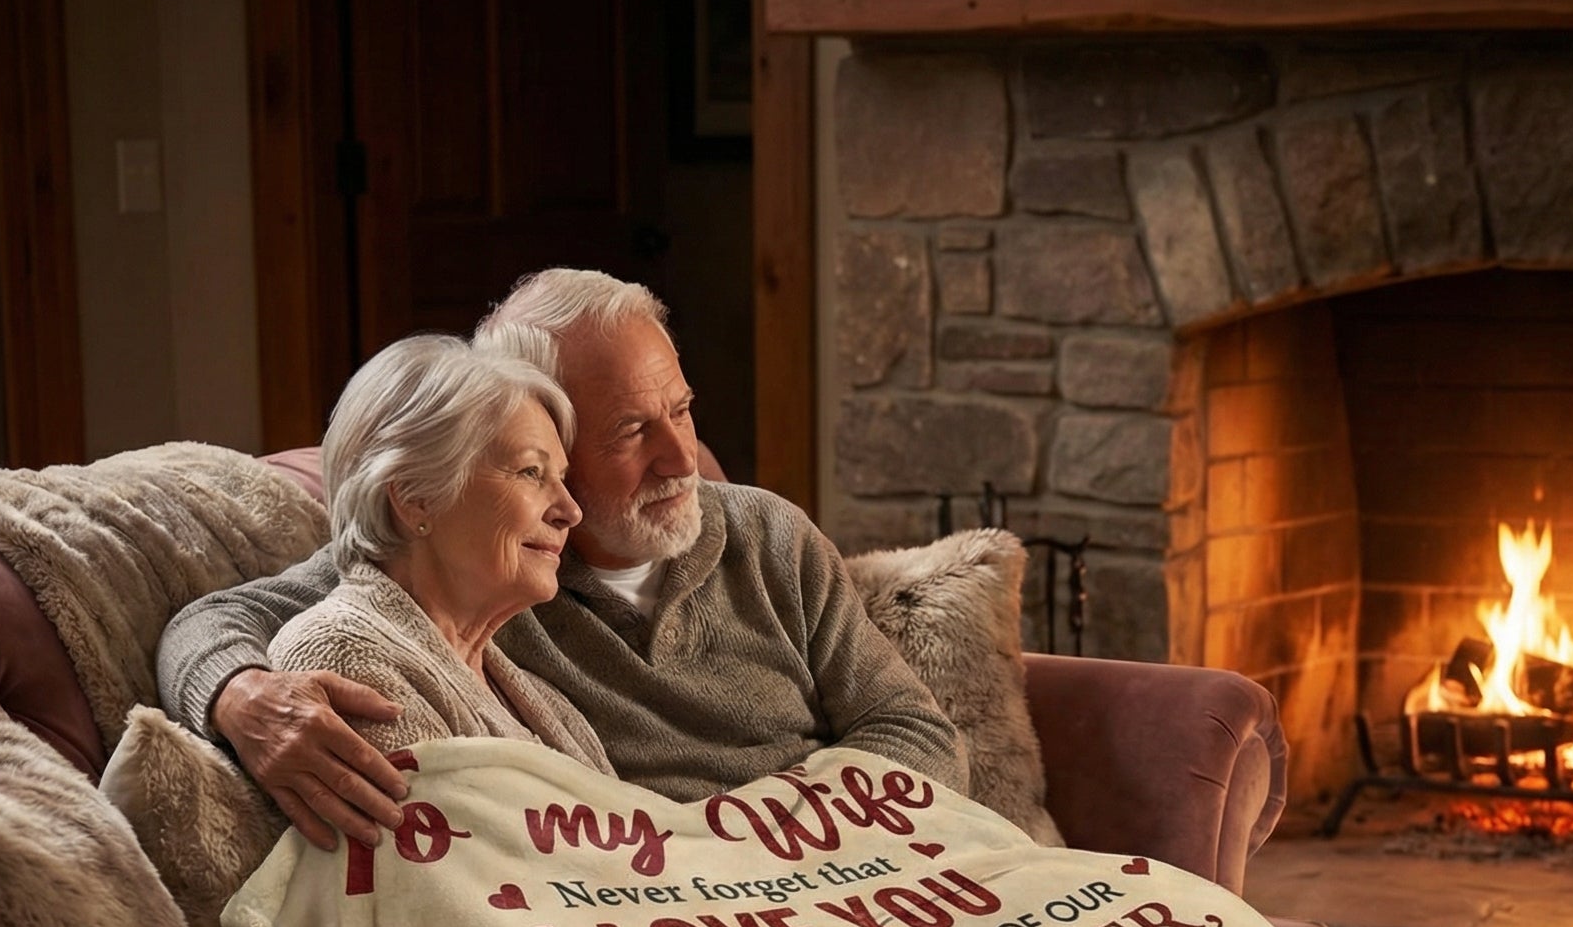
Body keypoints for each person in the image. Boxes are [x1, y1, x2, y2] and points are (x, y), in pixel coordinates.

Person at [157, 271, 967, 848]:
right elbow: (224, 618)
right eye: (628, 431)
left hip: (843, 876)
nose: (682, 458)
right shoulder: (486, 567)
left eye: (681, 411)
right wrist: (243, 696)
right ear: (541, 437)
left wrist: (786, 844)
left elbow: (913, 730)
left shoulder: (770, 537)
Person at [266, 329, 615, 770]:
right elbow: (462, 837)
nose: (570, 511)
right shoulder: (341, 654)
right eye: (530, 472)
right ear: (415, 497)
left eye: (561, 478)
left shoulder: (543, 703)